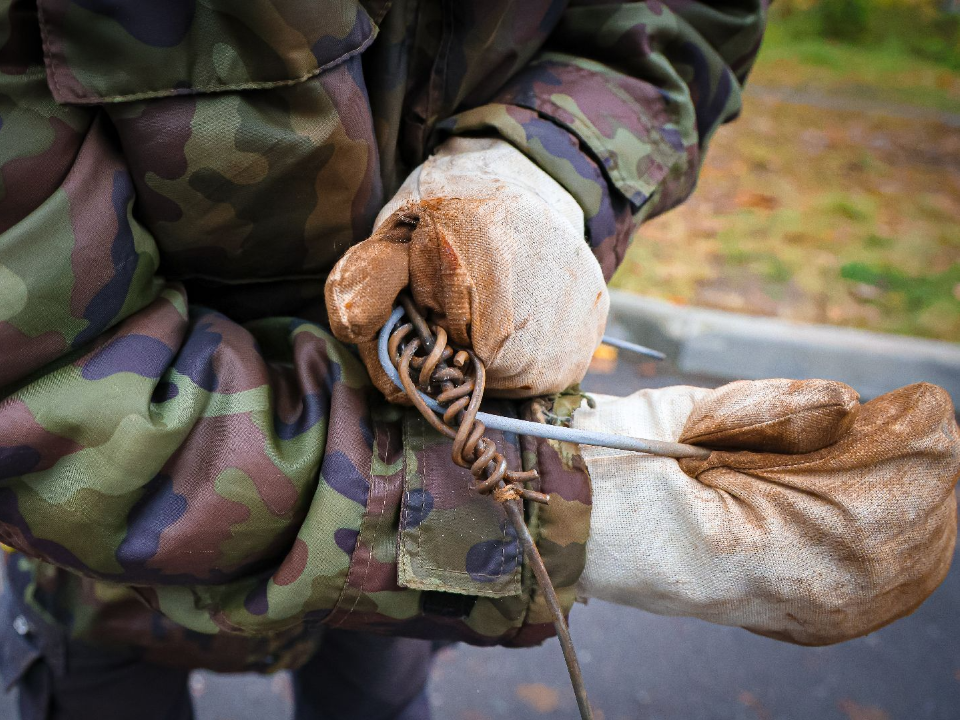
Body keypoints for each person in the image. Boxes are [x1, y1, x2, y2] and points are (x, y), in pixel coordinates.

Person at [1, 1, 958, 718]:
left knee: (377, 697)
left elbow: (678, 18)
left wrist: (539, 164)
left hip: (392, 587)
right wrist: (596, 505)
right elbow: (41, 395)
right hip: (108, 582)